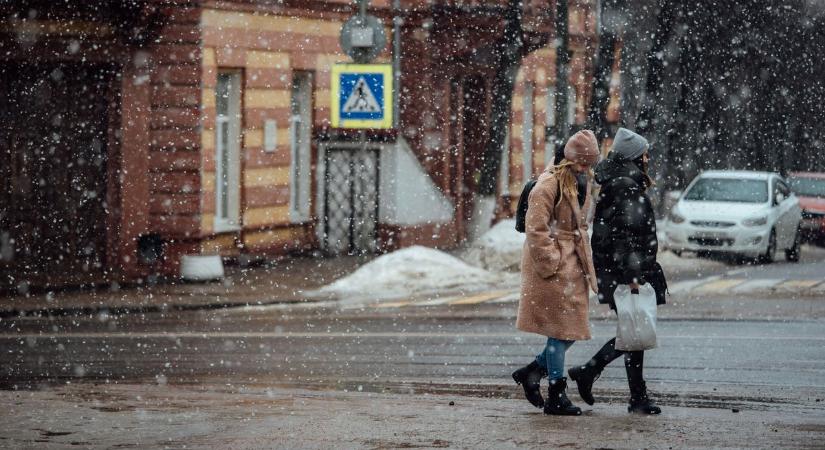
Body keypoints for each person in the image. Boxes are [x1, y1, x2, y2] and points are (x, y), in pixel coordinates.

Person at [567, 127, 668, 415]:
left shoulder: (624, 181)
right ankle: (595, 374)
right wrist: (633, 276)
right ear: (635, 156)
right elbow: (624, 236)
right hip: (625, 271)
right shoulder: (625, 184)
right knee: (634, 331)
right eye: (644, 153)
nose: (648, 157)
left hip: (622, 270)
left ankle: (627, 391)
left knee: (633, 331)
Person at [512, 130, 600, 416]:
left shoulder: (579, 180)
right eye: (583, 164)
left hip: (572, 264)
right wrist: (553, 260)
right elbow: (535, 229)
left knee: (570, 329)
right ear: (570, 160)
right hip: (553, 267)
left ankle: (534, 371)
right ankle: (556, 393)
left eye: (590, 164)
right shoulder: (548, 184)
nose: (587, 169)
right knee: (559, 330)